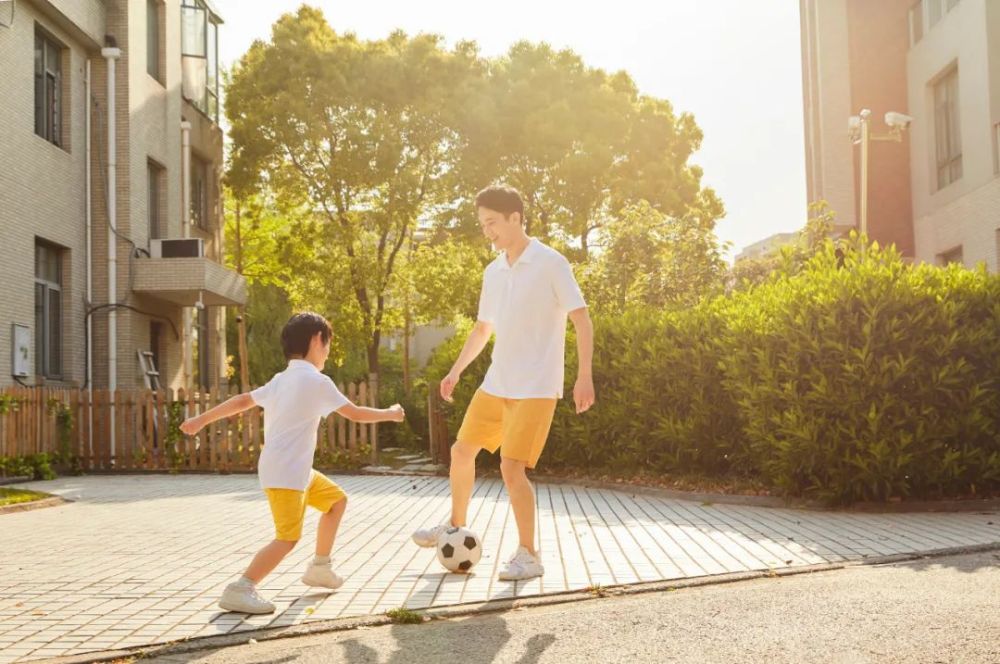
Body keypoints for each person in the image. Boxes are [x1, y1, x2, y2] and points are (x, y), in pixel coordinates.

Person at [411, 185, 595, 581]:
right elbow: (482, 328)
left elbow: (581, 318)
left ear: (515, 217)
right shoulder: (493, 271)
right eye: (483, 224)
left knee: (512, 470)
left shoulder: (551, 263)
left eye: (491, 222)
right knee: (462, 452)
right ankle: (454, 526)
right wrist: (456, 370)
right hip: (498, 383)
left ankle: (529, 554)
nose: (487, 231)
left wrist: (584, 376)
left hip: (535, 387)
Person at [180, 312, 405, 613]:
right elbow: (355, 414)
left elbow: (242, 401)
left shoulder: (280, 380)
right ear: (316, 340)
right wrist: (390, 413)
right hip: (287, 473)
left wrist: (201, 420)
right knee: (286, 538)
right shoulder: (316, 381)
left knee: (336, 501)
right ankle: (241, 587)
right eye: (327, 344)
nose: (327, 352)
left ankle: (320, 567)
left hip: (293, 470)